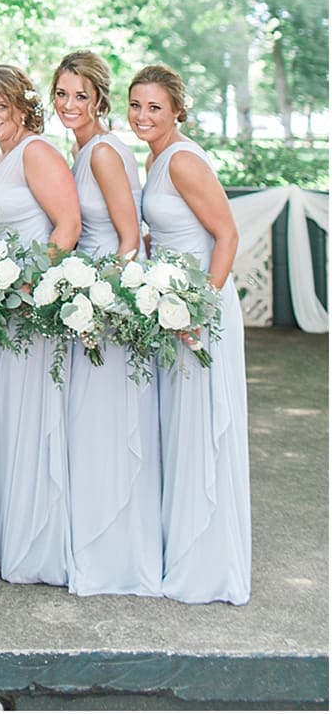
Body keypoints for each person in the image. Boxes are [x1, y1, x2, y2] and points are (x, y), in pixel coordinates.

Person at [128, 65, 251, 605]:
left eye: (154, 107)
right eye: (135, 105)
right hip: (171, 306)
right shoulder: (156, 158)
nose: (142, 116)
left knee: (202, 429)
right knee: (180, 431)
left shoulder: (181, 159)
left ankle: (208, 568)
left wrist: (201, 304)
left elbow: (226, 235)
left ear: (178, 109)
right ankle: (184, 552)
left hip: (200, 312)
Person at [50, 50, 162, 598]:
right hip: (85, 301)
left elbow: (128, 238)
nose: (70, 104)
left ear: (99, 98)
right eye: (62, 93)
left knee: (106, 429)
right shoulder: (82, 149)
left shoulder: (103, 153)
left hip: (105, 309)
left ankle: (116, 559)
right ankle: (95, 548)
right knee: (90, 431)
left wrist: (98, 300)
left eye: (80, 95)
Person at [0, 64, 79, 586]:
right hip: (0, 313)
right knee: (7, 423)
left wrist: (31, 285)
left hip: (31, 314)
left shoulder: (36, 151)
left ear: (22, 107)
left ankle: (36, 546)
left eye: (1, 106)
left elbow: (68, 225)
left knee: (31, 422)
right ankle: (10, 539)